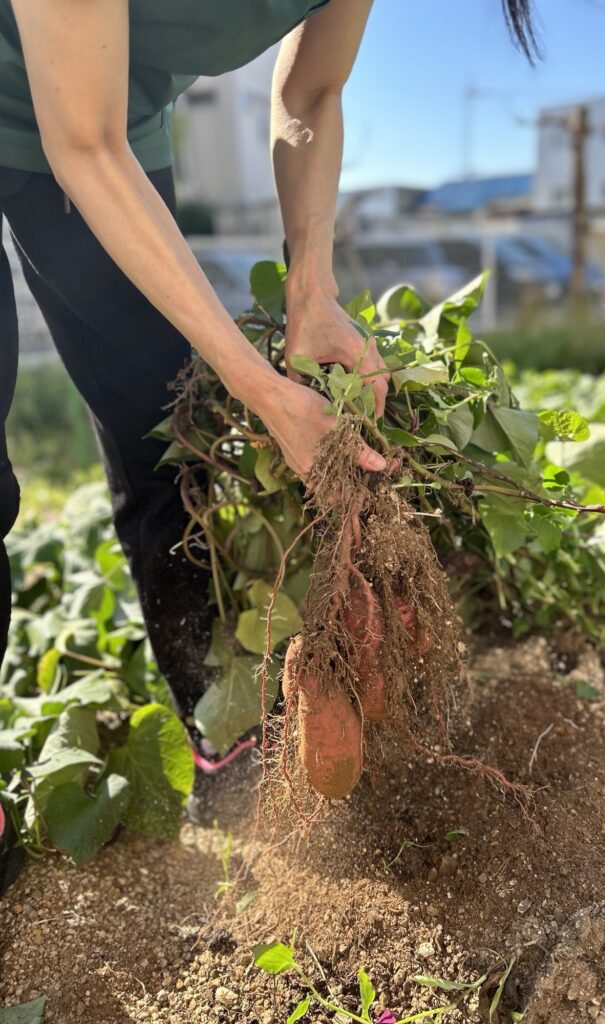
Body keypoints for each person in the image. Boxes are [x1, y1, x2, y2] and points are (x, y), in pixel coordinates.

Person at [0, 0, 536, 737]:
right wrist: (257, 386)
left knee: (161, 439)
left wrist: (311, 291)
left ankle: (214, 718)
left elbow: (312, 93)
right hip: (82, 130)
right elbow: (82, 144)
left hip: (111, 120)